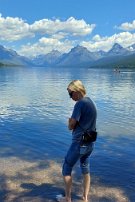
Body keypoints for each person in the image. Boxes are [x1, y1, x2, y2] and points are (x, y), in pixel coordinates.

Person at [60, 80, 97, 202]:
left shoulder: (80, 104)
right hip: (90, 143)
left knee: (66, 167)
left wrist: (69, 122)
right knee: (85, 168)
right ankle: (85, 198)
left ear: (77, 91)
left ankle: (67, 199)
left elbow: (71, 125)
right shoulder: (91, 102)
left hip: (79, 143)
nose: (70, 97)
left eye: (71, 94)